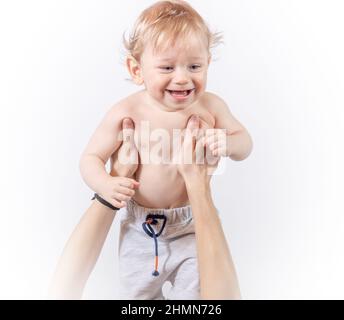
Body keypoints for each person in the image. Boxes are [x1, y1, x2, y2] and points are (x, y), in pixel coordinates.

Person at [77, 0, 252, 299]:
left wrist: (229, 141)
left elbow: (244, 143)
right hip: (141, 227)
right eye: (167, 67)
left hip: (191, 224)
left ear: (208, 62)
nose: (182, 77)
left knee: (197, 294)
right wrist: (106, 183)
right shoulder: (126, 111)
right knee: (139, 296)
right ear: (137, 69)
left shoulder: (211, 106)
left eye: (194, 66)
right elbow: (91, 158)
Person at [49, 116, 241, 299]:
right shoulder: (205, 106)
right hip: (187, 221)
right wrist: (200, 186)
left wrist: (109, 184)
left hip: (156, 225)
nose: (182, 80)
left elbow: (90, 158)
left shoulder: (129, 110)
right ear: (138, 78)